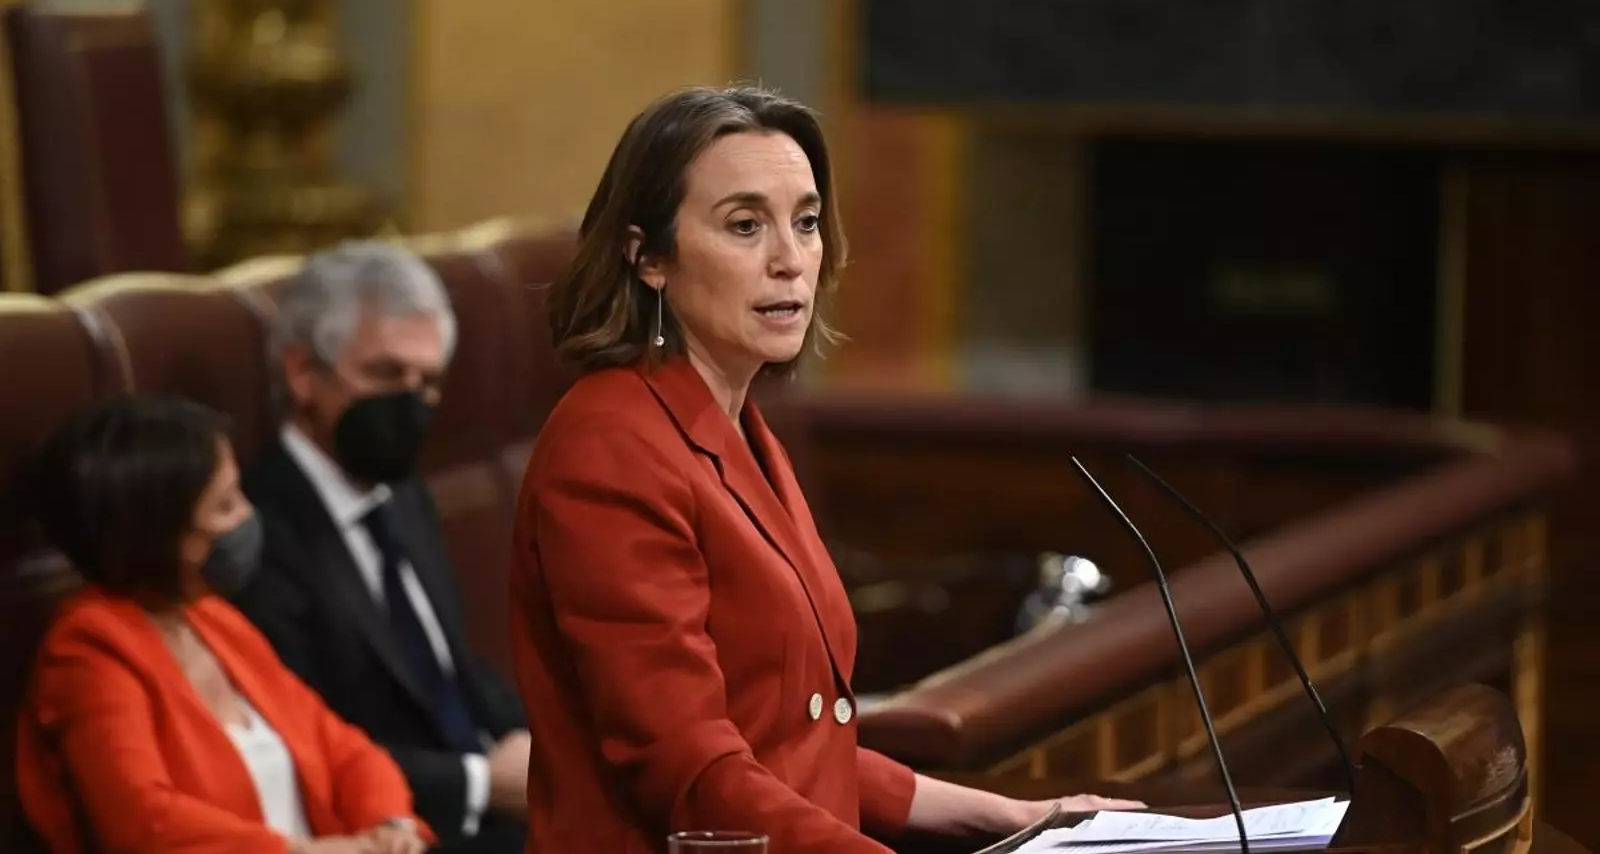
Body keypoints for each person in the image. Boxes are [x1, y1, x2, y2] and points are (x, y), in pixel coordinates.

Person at [511, 84, 1144, 853]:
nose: (790, 260)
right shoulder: (611, 449)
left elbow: (798, 743)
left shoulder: (739, 425)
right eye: (745, 226)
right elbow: (694, 776)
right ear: (647, 257)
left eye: (806, 222)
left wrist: (1007, 815)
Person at [14, 394, 429, 854]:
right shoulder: (88, 650)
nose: (249, 516)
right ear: (157, 536)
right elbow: (141, 822)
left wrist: (389, 825)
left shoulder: (212, 618)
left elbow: (342, 747)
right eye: (226, 505)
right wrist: (305, 852)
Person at [232, 242, 528, 854]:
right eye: (386, 375)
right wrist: (480, 783)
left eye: (428, 383)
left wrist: (539, 744)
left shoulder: (403, 492)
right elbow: (308, 741)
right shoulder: (260, 529)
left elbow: (453, 667)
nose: (410, 404)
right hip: (396, 827)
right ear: (302, 373)